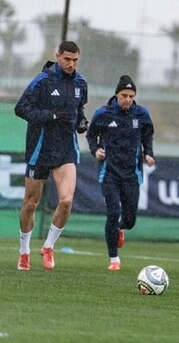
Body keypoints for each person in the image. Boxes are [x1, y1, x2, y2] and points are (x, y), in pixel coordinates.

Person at [14, 41, 88, 271]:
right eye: (67, 59)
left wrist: (82, 123)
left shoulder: (81, 83)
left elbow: (79, 111)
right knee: (30, 204)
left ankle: (48, 247)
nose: (71, 63)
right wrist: (52, 115)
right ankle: (24, 251)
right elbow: (21, 108)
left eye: (75, 59)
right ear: (57, 56)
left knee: (66, 201)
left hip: (66, 149)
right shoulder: (43, 80)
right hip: (40, 148)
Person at [86, 75, 155, 271]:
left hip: (132, 174)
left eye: (131, 96)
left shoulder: (141, 114)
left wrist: (149, 154)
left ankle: (120, 229)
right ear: (116, 94)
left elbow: (147, 137)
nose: (127, 99)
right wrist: (96, 150)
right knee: (113, 212)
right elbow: (92, 135)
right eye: (124, 95)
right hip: (109, 173)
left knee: (130, 220)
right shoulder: (104, 114)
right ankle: (114, 258)